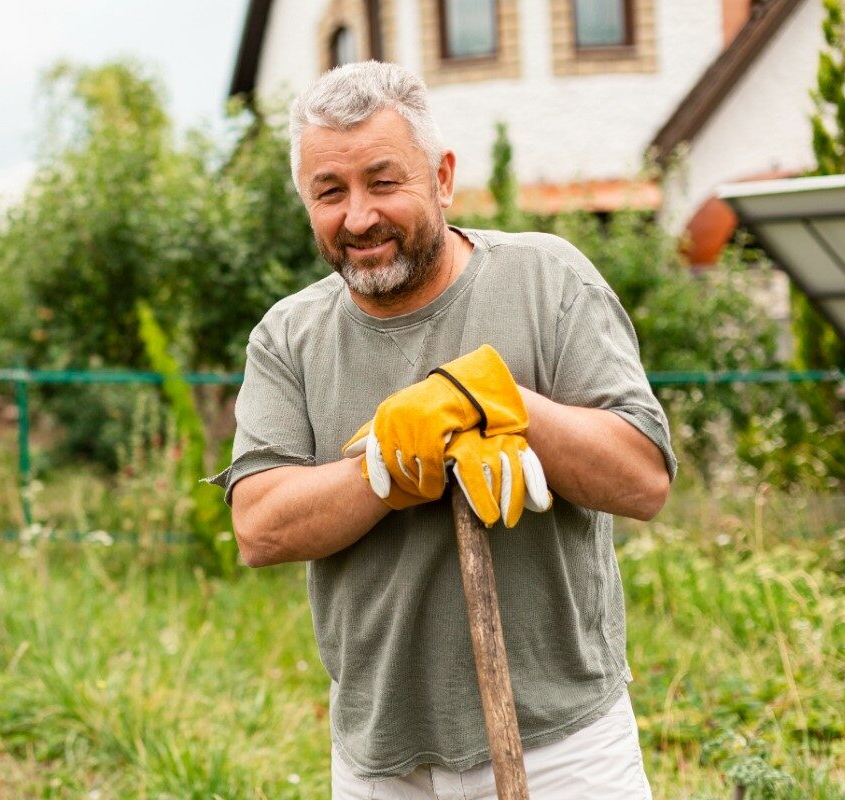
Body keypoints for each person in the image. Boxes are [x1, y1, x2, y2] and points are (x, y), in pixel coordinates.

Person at [208, 61, 676, 799]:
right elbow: (259, 527)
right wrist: (384, 469)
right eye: (330, 192)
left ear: (443, 177)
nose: (358, 217)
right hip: (383, 761)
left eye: (383, 182)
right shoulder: (289, 337)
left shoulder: (547, 282)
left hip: (563, 748)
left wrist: (503, 404)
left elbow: (644, 480)